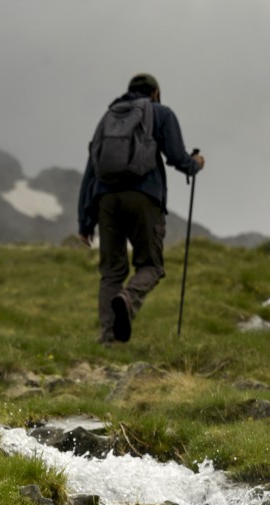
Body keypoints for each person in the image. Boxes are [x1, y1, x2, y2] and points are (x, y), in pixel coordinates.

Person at [78, 73, 205, 344]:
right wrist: (196, 164)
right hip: (144, 197)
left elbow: (91, 171)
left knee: (111, 272)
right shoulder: (160, 113)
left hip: (105, 199)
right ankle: (128, 297)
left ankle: (108, 340)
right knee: (151, 265)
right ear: (155, 93)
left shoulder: (107, 119)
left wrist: (85, 221)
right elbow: (177, 157)